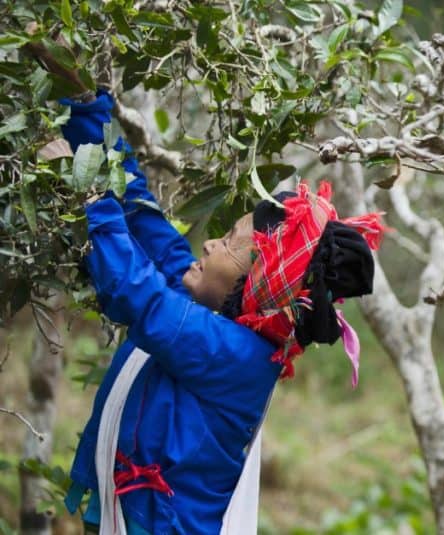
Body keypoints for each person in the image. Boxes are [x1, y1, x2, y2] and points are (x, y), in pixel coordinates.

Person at [57, 89, 385, 534]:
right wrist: (84, 104)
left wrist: (89, 195)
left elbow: (139, 298)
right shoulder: (202, 307)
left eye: (230, 243)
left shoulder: (239, 356)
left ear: (258, 287)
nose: (210, 244)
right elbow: (141, 215)